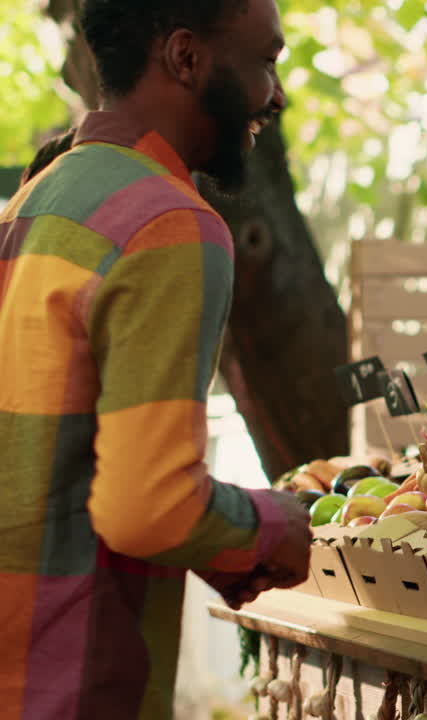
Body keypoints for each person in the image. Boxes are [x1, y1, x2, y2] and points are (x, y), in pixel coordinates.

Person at [0, 1, 312, 717]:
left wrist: (216, 548)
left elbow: (55, 464)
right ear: (186, 58)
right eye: (266, 61)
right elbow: (148, 508)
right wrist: (274, 525)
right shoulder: (169, 221)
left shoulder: (36, 198)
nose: (277, 94)